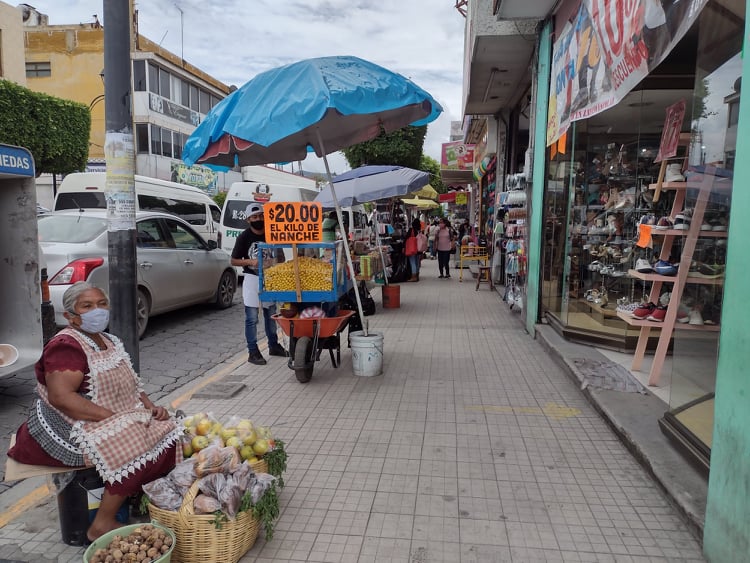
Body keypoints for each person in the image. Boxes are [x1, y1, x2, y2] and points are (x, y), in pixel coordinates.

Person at [7, 282, 181, 541]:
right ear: (70, 315)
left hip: (110, 416)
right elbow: (61, 397)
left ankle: (137, 497)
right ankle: (101, 523)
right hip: (69, 424)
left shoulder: (109, 340)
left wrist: (151, 407)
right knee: (135, 441)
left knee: (173, 432)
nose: (97, 311)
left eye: (101, 304)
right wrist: (117, 420)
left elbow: (130, 384)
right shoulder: (65, 346)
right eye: (87, 306)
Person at [230, 202, 287, 365]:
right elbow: (233, 260)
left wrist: (275, 261)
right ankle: (253, 351)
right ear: (248, 219)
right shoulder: (244, 237)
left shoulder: (272, 233)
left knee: (271, 313)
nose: (258, 219)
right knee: (252, 317)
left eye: (261, 216)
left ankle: (273, 345)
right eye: (254, 217)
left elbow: (281, 257)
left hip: (270, 278)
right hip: (251, 279)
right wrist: (251, 261)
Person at [405, 217, 423, 282]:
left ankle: (413, 276)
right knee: (417, 262)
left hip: (412, 248)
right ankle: (417, 275)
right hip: (418, 249)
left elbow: (406, 238)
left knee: (412, 262)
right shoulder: (419, 230)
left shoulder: (411, 230)